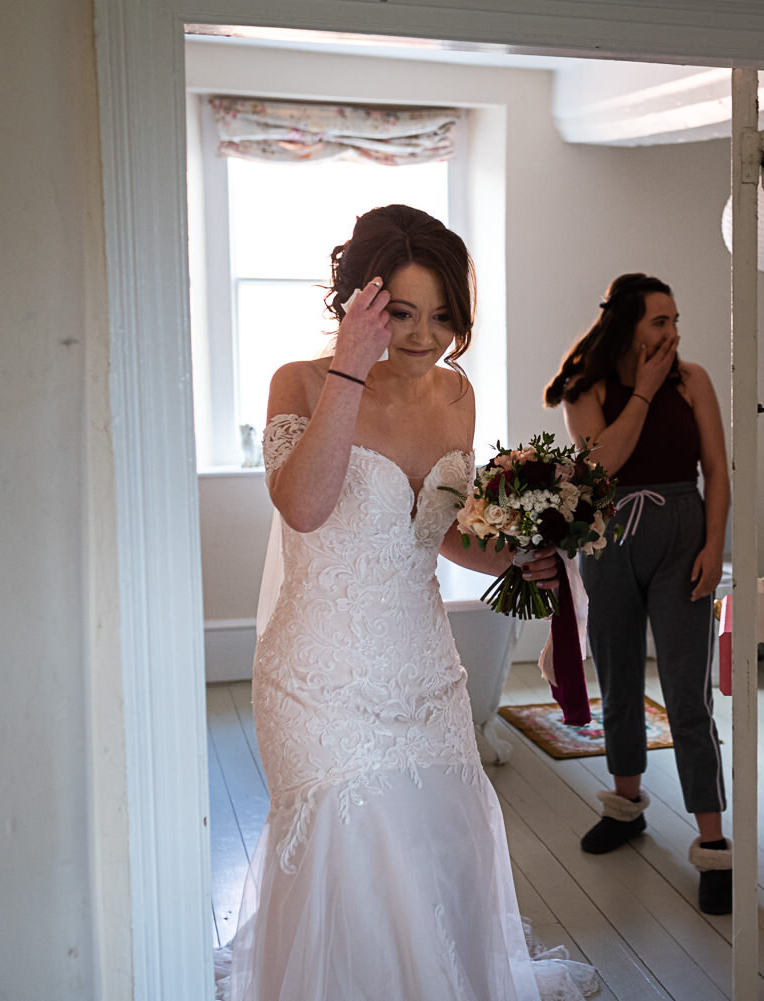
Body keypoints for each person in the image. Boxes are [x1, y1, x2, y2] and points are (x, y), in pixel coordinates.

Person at [221, 205, 597, 1001]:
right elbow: (306, 506)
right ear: (361, 301)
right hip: (317, 678)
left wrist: (518, 557)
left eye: (441, 316)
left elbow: (440, 530)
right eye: (401, 313)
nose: (424, 336)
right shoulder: (301, 382)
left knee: (442, 851)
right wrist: (351, 373)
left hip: (424, 667)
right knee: (349, 861)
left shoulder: (456, 395)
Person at [544, 273, 733, 916]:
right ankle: (626, 807)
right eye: (660, 321)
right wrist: (645, 393)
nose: (674, 333)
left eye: (676, 319)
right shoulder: (583, 389)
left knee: (687, 693)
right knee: (618, 679)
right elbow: (603, 466)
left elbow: (717, 470)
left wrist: (714, 547)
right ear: (628, 325)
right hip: (609, 536)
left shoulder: (696, 380)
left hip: (683, 535)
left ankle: (713, 845)